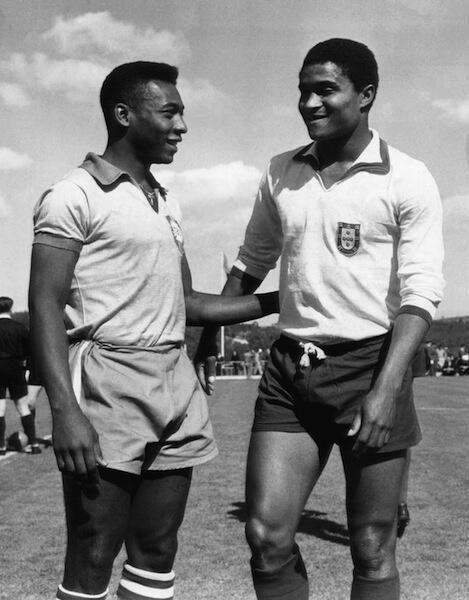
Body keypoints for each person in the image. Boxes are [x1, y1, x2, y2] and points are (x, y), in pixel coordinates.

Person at [196, 38, 444, 600]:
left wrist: (386, 390)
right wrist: (207, 338)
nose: (309, 103)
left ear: (366, 95)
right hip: (291, 370)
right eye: (303, 91)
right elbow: (251, 263)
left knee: (373, 546)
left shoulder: (407, 177)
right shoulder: (280, 171)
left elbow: (422, 291)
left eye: (325, 90)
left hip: (371, 367)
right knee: (265, 536)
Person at [29, 61, 278, 600]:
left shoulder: (165, 199)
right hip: (107, 380)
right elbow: (44, 304)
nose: (182, 126)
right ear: (124, 115)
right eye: (169, 112)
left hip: (174, 379)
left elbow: (188, 304)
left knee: (157, 548)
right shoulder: (74, 194)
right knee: (94, 548)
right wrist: (65, 411)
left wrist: (284, 298)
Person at [0, 296, 41, 455]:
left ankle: (1, 447)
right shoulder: (19, 328)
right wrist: (27, 370)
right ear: (10, 309)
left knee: (0, 409)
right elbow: (30, 351)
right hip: (16, 368)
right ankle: (34, 444)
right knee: (23, 406)